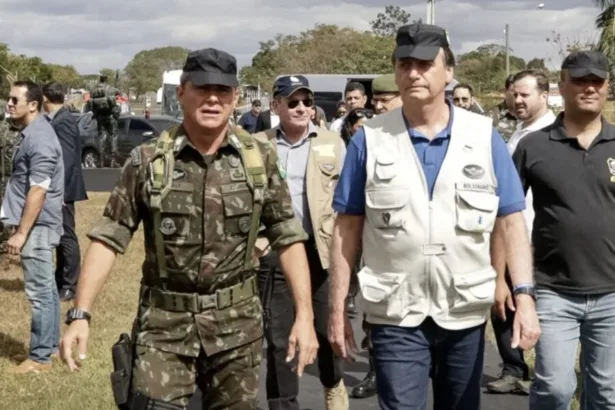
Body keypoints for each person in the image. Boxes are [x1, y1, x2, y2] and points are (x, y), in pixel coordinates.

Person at [59, 48, 319, 409]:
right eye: (202, 87)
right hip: (164, 330)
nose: (213, 98)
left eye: (223, 90)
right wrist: (80, 314)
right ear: (182, 92)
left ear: (236, 97)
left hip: (237, 331)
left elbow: (288, 239)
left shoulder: (259, 159)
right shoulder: (148, 160)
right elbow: (108, 237)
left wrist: (304, 316)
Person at [327, 23, 541, 410]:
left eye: (425, 64)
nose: (413, 73)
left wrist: (524, 296)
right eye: (404, 64)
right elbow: (346, 230)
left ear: (449, 72)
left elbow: (510, 222)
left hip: (462, 313)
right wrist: (337, 307)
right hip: (395, 313)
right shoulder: (369, 139)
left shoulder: (483, 136)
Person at [511, 50, 615, 410]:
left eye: (596, 82)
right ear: (562, 85)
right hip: (554, 290)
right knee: (555, 388)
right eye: (580, 81)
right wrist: (505, 281)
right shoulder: (533, 146)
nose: (589, 88)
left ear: (606, 87)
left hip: (612, 294)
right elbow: (505, 217)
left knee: (606, 394)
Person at [253, 74, 348, 410]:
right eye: (292, 102)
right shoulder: (257, 144)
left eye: (307, 102)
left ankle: (333, 383)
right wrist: (260, 241)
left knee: (325, 331)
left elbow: (346, 201)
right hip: (276, 251)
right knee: (280, 339)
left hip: (319, 251)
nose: (301, 108)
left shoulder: (332, 143)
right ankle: (283, 403)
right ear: (275, 105)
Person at [487, 69, 556, 395]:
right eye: (513, 94)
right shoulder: (517, 133)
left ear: (545, 95)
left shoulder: (552, 136)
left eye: (525, 95)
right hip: (511, 238)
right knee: (503, 304)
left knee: (543, 312)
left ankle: (547, 376)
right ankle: (514, 368)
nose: (517, 100)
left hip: (539, 243)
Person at [2, 80, 64, 373]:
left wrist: (22, 232)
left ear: (34, 105)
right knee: (48, 290)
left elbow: (38, 189)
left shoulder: (39, 138)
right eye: (9, 99)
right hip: (38, 225)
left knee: (39, 293)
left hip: (37, 226)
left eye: (15, 99)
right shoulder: (33, 133)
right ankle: (50, 348)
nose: (9, 103)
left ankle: (39, 359)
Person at [349, 73, 403, 401]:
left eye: (386, 100)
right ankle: (376, 371)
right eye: (377, 100)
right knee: (375, 313)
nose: (379, 105)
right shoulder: (369, 138)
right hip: (375, 242)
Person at [43, 82, 88, 302]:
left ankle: (71, 284)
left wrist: (59, 191)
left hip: (64, 189)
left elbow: (67, 159)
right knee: (60, 235)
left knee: (67, 235)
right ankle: (61, 278)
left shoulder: (64, 121)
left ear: (44, 99)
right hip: (60, 187)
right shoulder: (58, 119)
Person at [87, 75, 119, 167]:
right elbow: (118, 93)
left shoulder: (93, 90)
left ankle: (101, 161)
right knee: (113, 136)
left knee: (101, 137)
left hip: (100, 116)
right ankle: (113, 160)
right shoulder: (110, 89)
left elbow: (91, 104)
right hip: (110, 116)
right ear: (106, 79)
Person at [490, 74, 517, 142]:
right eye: (514, 92)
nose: (518, 96)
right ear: (505, 91)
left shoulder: (532, 116)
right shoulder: (490, 117)